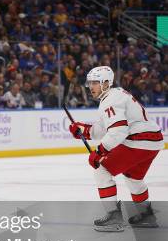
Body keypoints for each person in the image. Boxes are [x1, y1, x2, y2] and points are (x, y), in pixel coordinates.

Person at [69, 66, 164, 231]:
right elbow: (107, 128)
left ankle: (113, 217)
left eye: (95, 83)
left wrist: (99, 153)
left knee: (102, 170)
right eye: (89, 83)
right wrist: (84, 130)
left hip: (138, 141)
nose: (91, 87)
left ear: (106, 83)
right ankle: (146, 215)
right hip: (152, 141)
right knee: (133, 178)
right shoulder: (116, 94)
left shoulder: (110, 100)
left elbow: (118, 131)